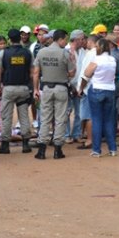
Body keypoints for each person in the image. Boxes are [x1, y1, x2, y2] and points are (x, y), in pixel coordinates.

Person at [33, 29, 75, 160]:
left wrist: (35, 89)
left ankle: (42, 150)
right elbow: (72, 73)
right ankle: (57, 149)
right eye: (65, 39)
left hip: (46, 88)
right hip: (61, 88)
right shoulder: (65, 53)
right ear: (60, 39)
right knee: (60, 118)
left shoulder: (41, 52)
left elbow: (36, 73)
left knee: (45, 118)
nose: (66, 42)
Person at [0, 28, 33, 155]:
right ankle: (26, 144)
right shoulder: (27, 53)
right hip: (23, 88)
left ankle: (5, 145)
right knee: (24, 116)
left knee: (6, 116)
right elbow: (32, 72)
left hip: (9, 88)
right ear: (20, 38)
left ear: (9, 39)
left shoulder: (4, 53)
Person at [79, 38, 118, 157]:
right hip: (110, 90)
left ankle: (96, 150)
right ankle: (112, 148)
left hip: (96, 89)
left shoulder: (96, 60)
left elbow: (86, 75)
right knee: (108, 120)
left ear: (100, 47)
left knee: (96, 119)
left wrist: (81, 88)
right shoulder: (112, 60)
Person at [64, 30, 85, 144]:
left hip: (79, 86)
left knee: (79, 112)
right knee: (67, 111)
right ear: (76, 40)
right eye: (82, 39)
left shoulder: (82, 51)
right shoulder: (66, 51)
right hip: (68, 85)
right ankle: (66, 134)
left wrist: (80, 87)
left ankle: (76, 134)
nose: (83, 41)